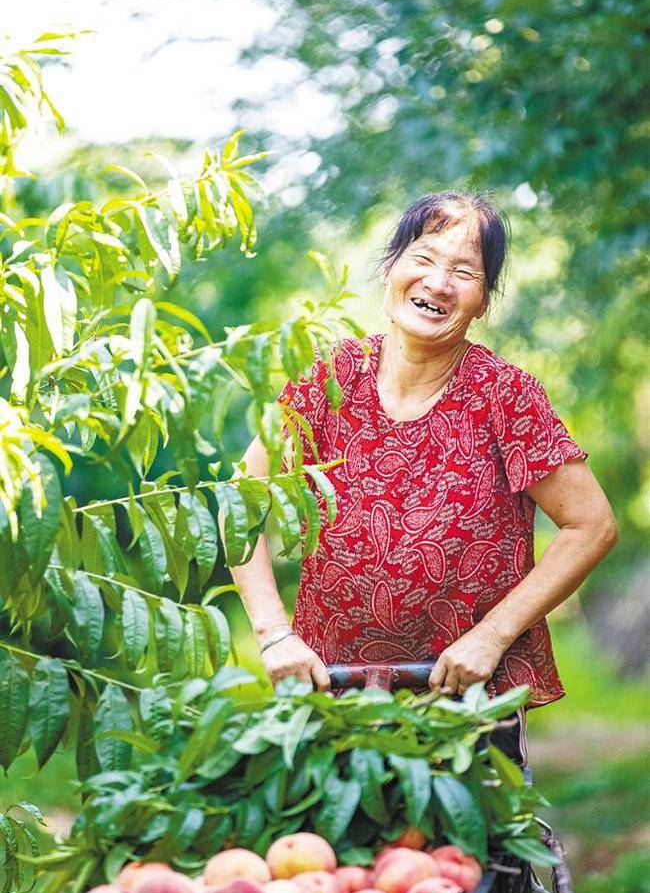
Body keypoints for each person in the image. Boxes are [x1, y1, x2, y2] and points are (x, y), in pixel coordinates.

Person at [228, 191, 617, 767]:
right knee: (328, 854)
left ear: (483, 301)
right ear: (392, 268)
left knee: (469, 854)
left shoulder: (505, 396)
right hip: (326, 688)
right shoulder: (329, 378)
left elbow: (591, 525)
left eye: (464, 271)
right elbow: (242, 503)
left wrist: (491, 637)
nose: (438, 283)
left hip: (466, 695)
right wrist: (273, 635)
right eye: (425, 257)